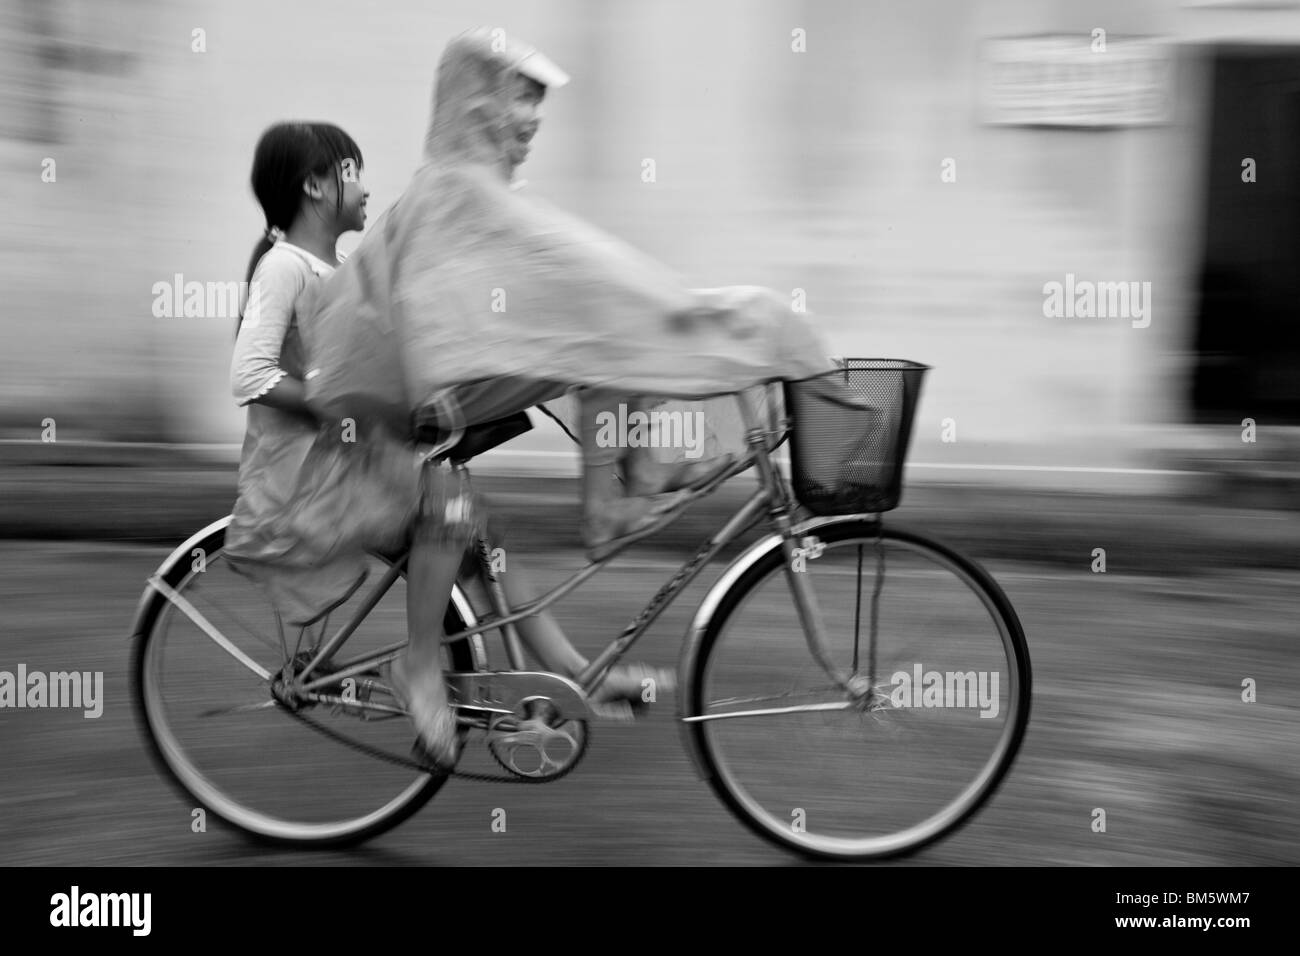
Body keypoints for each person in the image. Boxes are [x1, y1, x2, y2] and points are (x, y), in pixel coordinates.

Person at [291, 28, 840, 763]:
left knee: (490, 519)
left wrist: (672, 322)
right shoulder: (456, 192)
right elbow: (484, 295)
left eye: (538, 111)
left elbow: (570, 280)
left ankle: (573, 669)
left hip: (398, 398)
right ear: (476, 103)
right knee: (455, 506)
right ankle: (420, 661)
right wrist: (726, 324)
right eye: (521, 103)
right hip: (373, 415)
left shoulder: (475, 192)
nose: (532, 124)